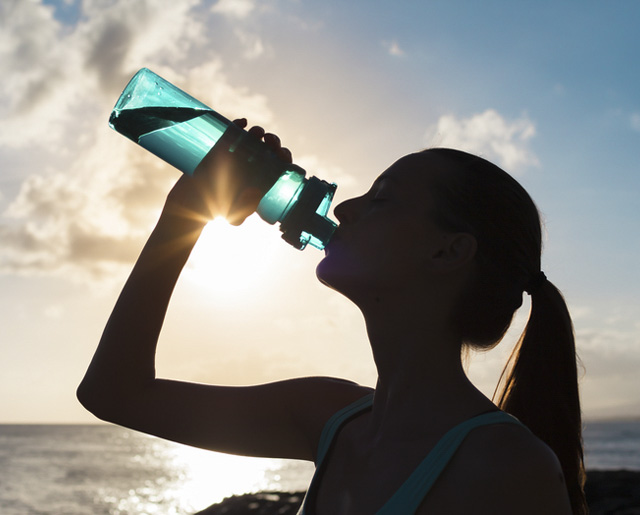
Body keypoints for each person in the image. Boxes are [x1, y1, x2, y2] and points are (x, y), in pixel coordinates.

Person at [77, 119, 587, 514]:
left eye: (382, 200)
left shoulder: (508, 468)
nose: (344, 210)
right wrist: (185, 213)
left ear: (448, 252)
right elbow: (113, 394)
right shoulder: (327, 415)